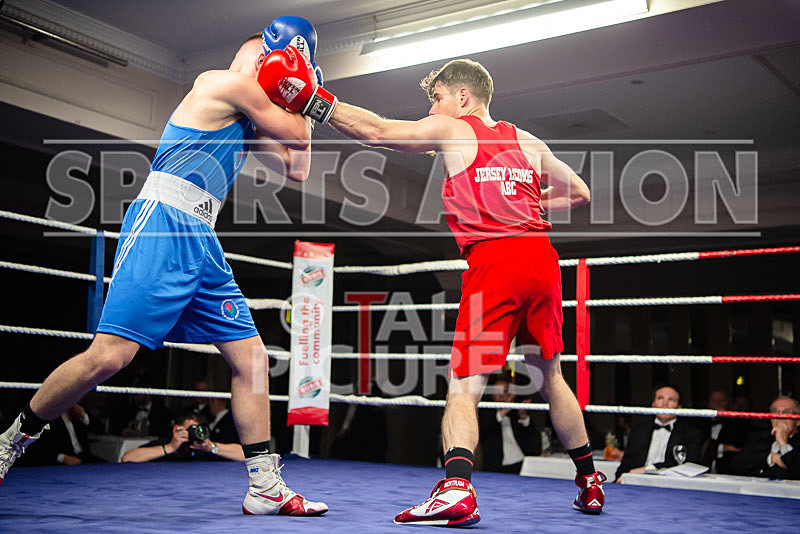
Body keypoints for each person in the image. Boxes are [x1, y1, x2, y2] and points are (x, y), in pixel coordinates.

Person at [0, 17, 329, 516]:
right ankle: (13, 437)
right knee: (108, 358)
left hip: (202, 238)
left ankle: (264, 487)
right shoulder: (223, 83)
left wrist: (306, 89)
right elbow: (295, 130)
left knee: (252, 359)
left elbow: (299, 164)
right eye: (277, 62)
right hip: (164, 222)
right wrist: (309, 93)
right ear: (265, 55)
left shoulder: (247, 120)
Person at [317, 57, 599, 523]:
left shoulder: (454, 131)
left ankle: (456, 489)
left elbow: (380, 132)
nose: (431, 110)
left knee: (465, 386)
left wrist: (314, 102)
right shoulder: (528, 142)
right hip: (541, 261)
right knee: (550, 376)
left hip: (496, 264)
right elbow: (581, 193)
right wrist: (522, 200)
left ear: (461, 97)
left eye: (436, 98)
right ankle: (590, 482)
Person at [614, 385, 704, 481]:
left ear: (679, 407)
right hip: (636, 484)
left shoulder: (691, 434)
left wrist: (647, 469)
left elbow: (687, 465)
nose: (665, 403)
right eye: (660, 398)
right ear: (653, 404)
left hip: (670, 485)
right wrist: (621, 479)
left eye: (671, 400)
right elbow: (625, 465)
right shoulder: (638, 430)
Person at [479, 373, 541, 474]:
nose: (502, 395)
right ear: (492, 395)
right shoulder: (485, 410)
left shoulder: (516, 411)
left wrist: (523, 416)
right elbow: (484, 427)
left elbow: (532, 437)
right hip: (495, 467)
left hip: (521, 463)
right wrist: (506, 409)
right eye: (498, 391)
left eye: (505, 391)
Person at [121, 411, 242, 462]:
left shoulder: (203, 447)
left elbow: (244, 454)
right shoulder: (165, 444)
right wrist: (170, 448)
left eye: (198, 430)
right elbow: (127, 458)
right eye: (190, 430)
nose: (193, 434)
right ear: (176, 429)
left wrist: (211, 447)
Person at [730, 395, 800, 479]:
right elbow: (736, 466)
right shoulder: (758, 438)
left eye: (786, 412)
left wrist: (783, 443)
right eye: (775, 412)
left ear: (798, 421)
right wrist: (770, 458)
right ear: (771, 419)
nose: (780, 417)